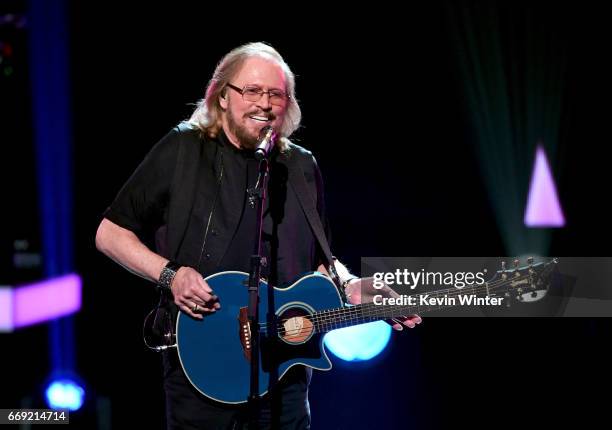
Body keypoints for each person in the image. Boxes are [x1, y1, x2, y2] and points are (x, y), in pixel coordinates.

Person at [95, 42, 421, 430]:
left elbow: (319, 257)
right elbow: (110, 233)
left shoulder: (300, 165)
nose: (264, 104)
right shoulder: (183, 149)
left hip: (284, 367)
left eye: (276, 94)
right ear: (221, 96)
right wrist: (171, 275)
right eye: (252, 91)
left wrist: (350, 285)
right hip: (203, 359)